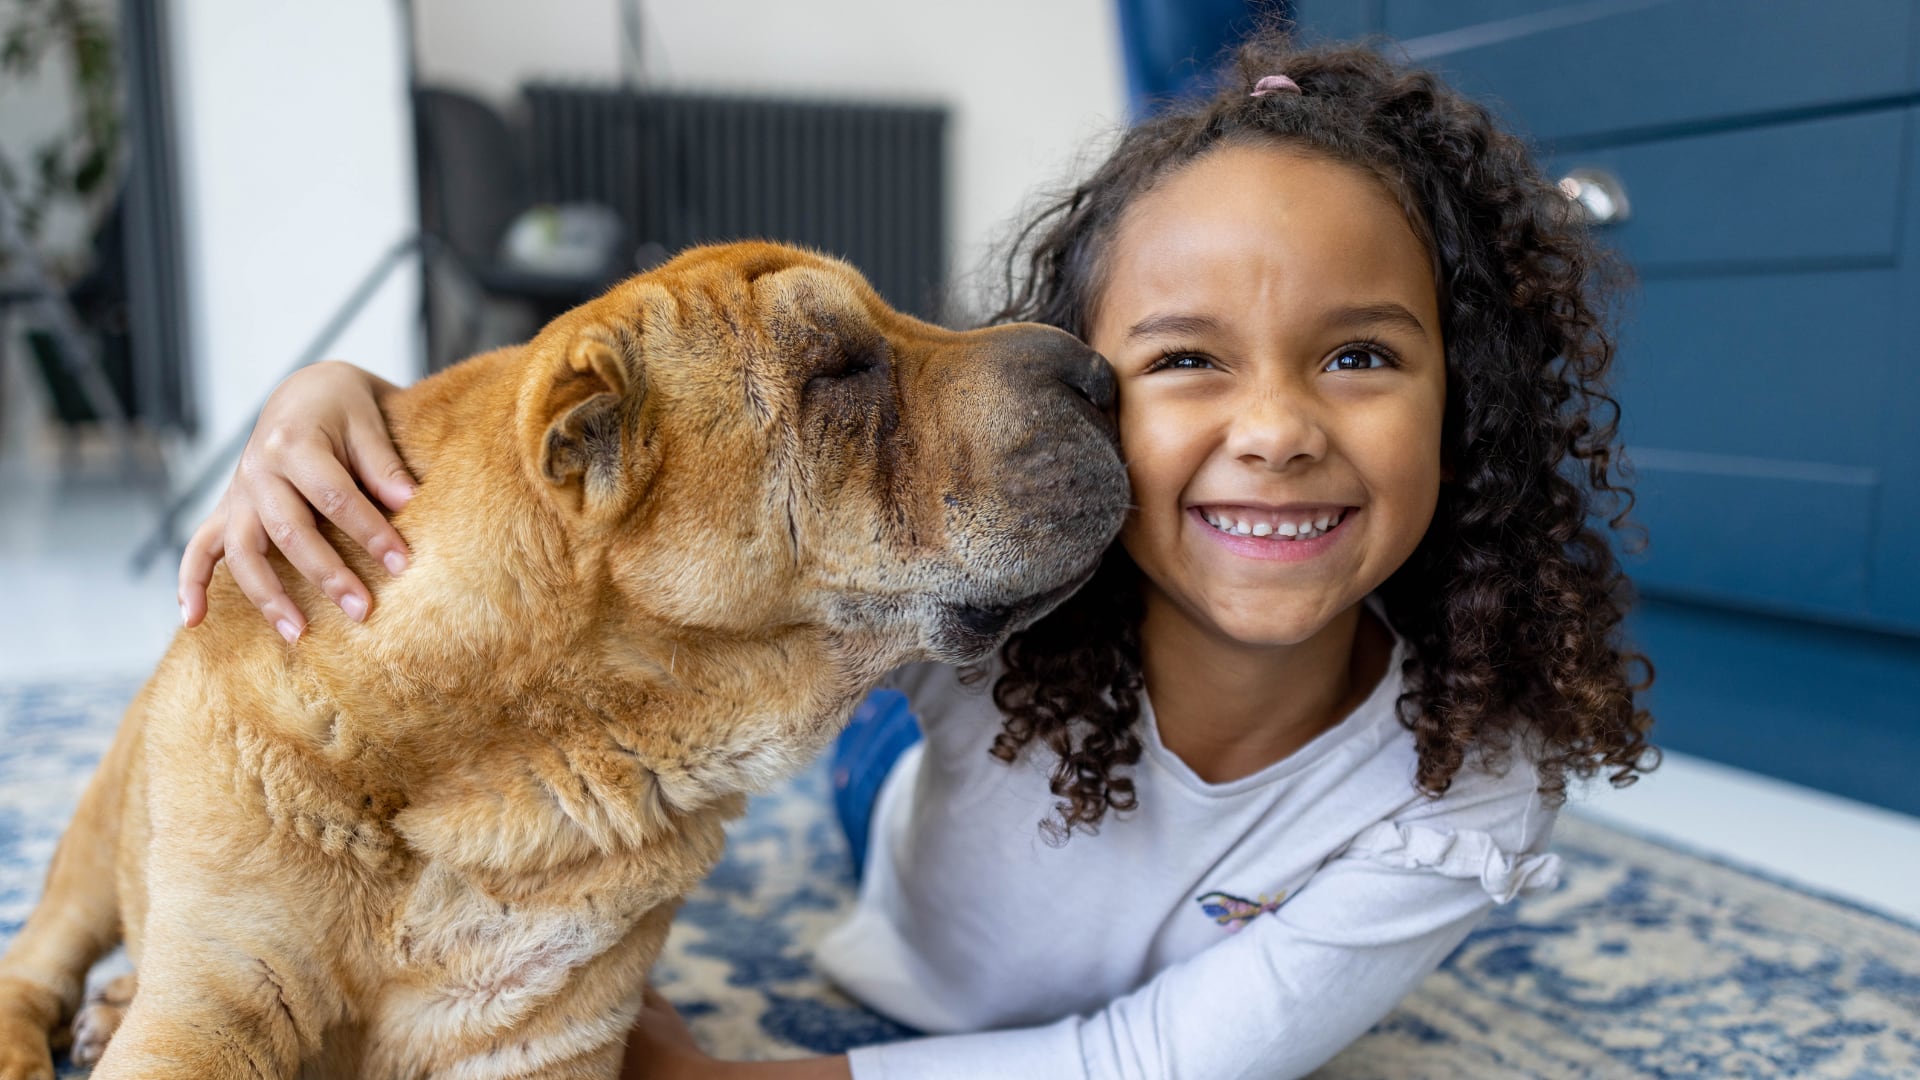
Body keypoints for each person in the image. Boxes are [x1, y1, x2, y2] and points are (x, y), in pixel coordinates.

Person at [177, 30, 1656, 1080]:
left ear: (1473, 399)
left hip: (993, 797)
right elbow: (592, 541)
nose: (1273, 430)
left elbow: (1152, 1059)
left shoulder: (1474, 781)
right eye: (1190, 357)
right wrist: (348, 406)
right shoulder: (1008, 591)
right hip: (918, 777)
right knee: (754, 679)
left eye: (1358, 354)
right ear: (1095, 394)